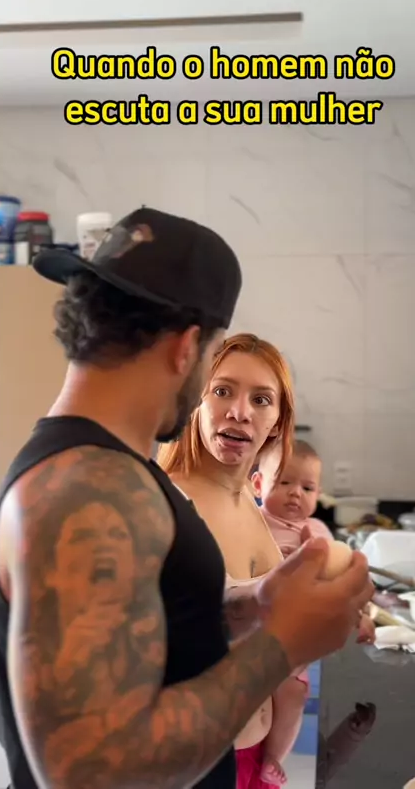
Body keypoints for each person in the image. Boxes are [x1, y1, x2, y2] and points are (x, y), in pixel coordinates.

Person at [0, 208, 373, 789]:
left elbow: (149, 625)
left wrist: (258, 603)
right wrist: (282, 643)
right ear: (188, 347)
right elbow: (87, 773)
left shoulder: (109, 471)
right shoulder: (88, 488)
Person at [157, 334, 372, 788]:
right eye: (222, 391)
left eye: (261, 399)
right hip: (199, 762)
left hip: (254, 755)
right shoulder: (168, 501)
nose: (240, 412)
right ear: (196, 401)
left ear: (277, 423)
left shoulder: (249, 503)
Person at [251, 438, 376, 784]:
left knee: (293, 694)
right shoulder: (251, 523)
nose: (295, 493)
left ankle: (275, 757)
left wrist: (362, 617)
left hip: (294, 643)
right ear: (258, 484)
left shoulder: (319, 536)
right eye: (284, 482)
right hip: (251, 635)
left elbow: (342, 585)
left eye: (307, 488)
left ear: (318, 494)